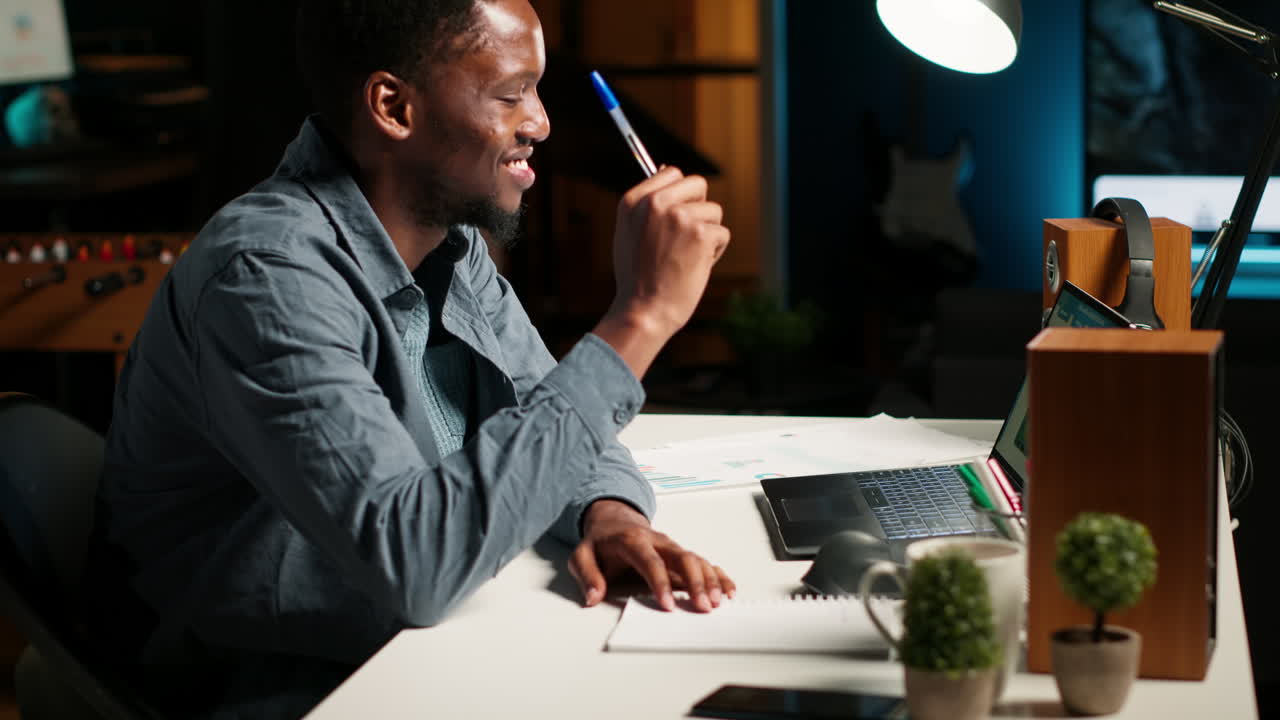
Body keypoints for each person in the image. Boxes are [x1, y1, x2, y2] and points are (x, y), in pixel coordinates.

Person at [85, 0, 734, 716]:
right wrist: (639, 318)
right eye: (511, 94)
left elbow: (555, 419)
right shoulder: (265, 278)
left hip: (421, 648)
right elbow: (416, 565)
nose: (541, 122)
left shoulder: (450, 245)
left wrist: (610, 519)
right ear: (394, 106)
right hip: (284, 685)